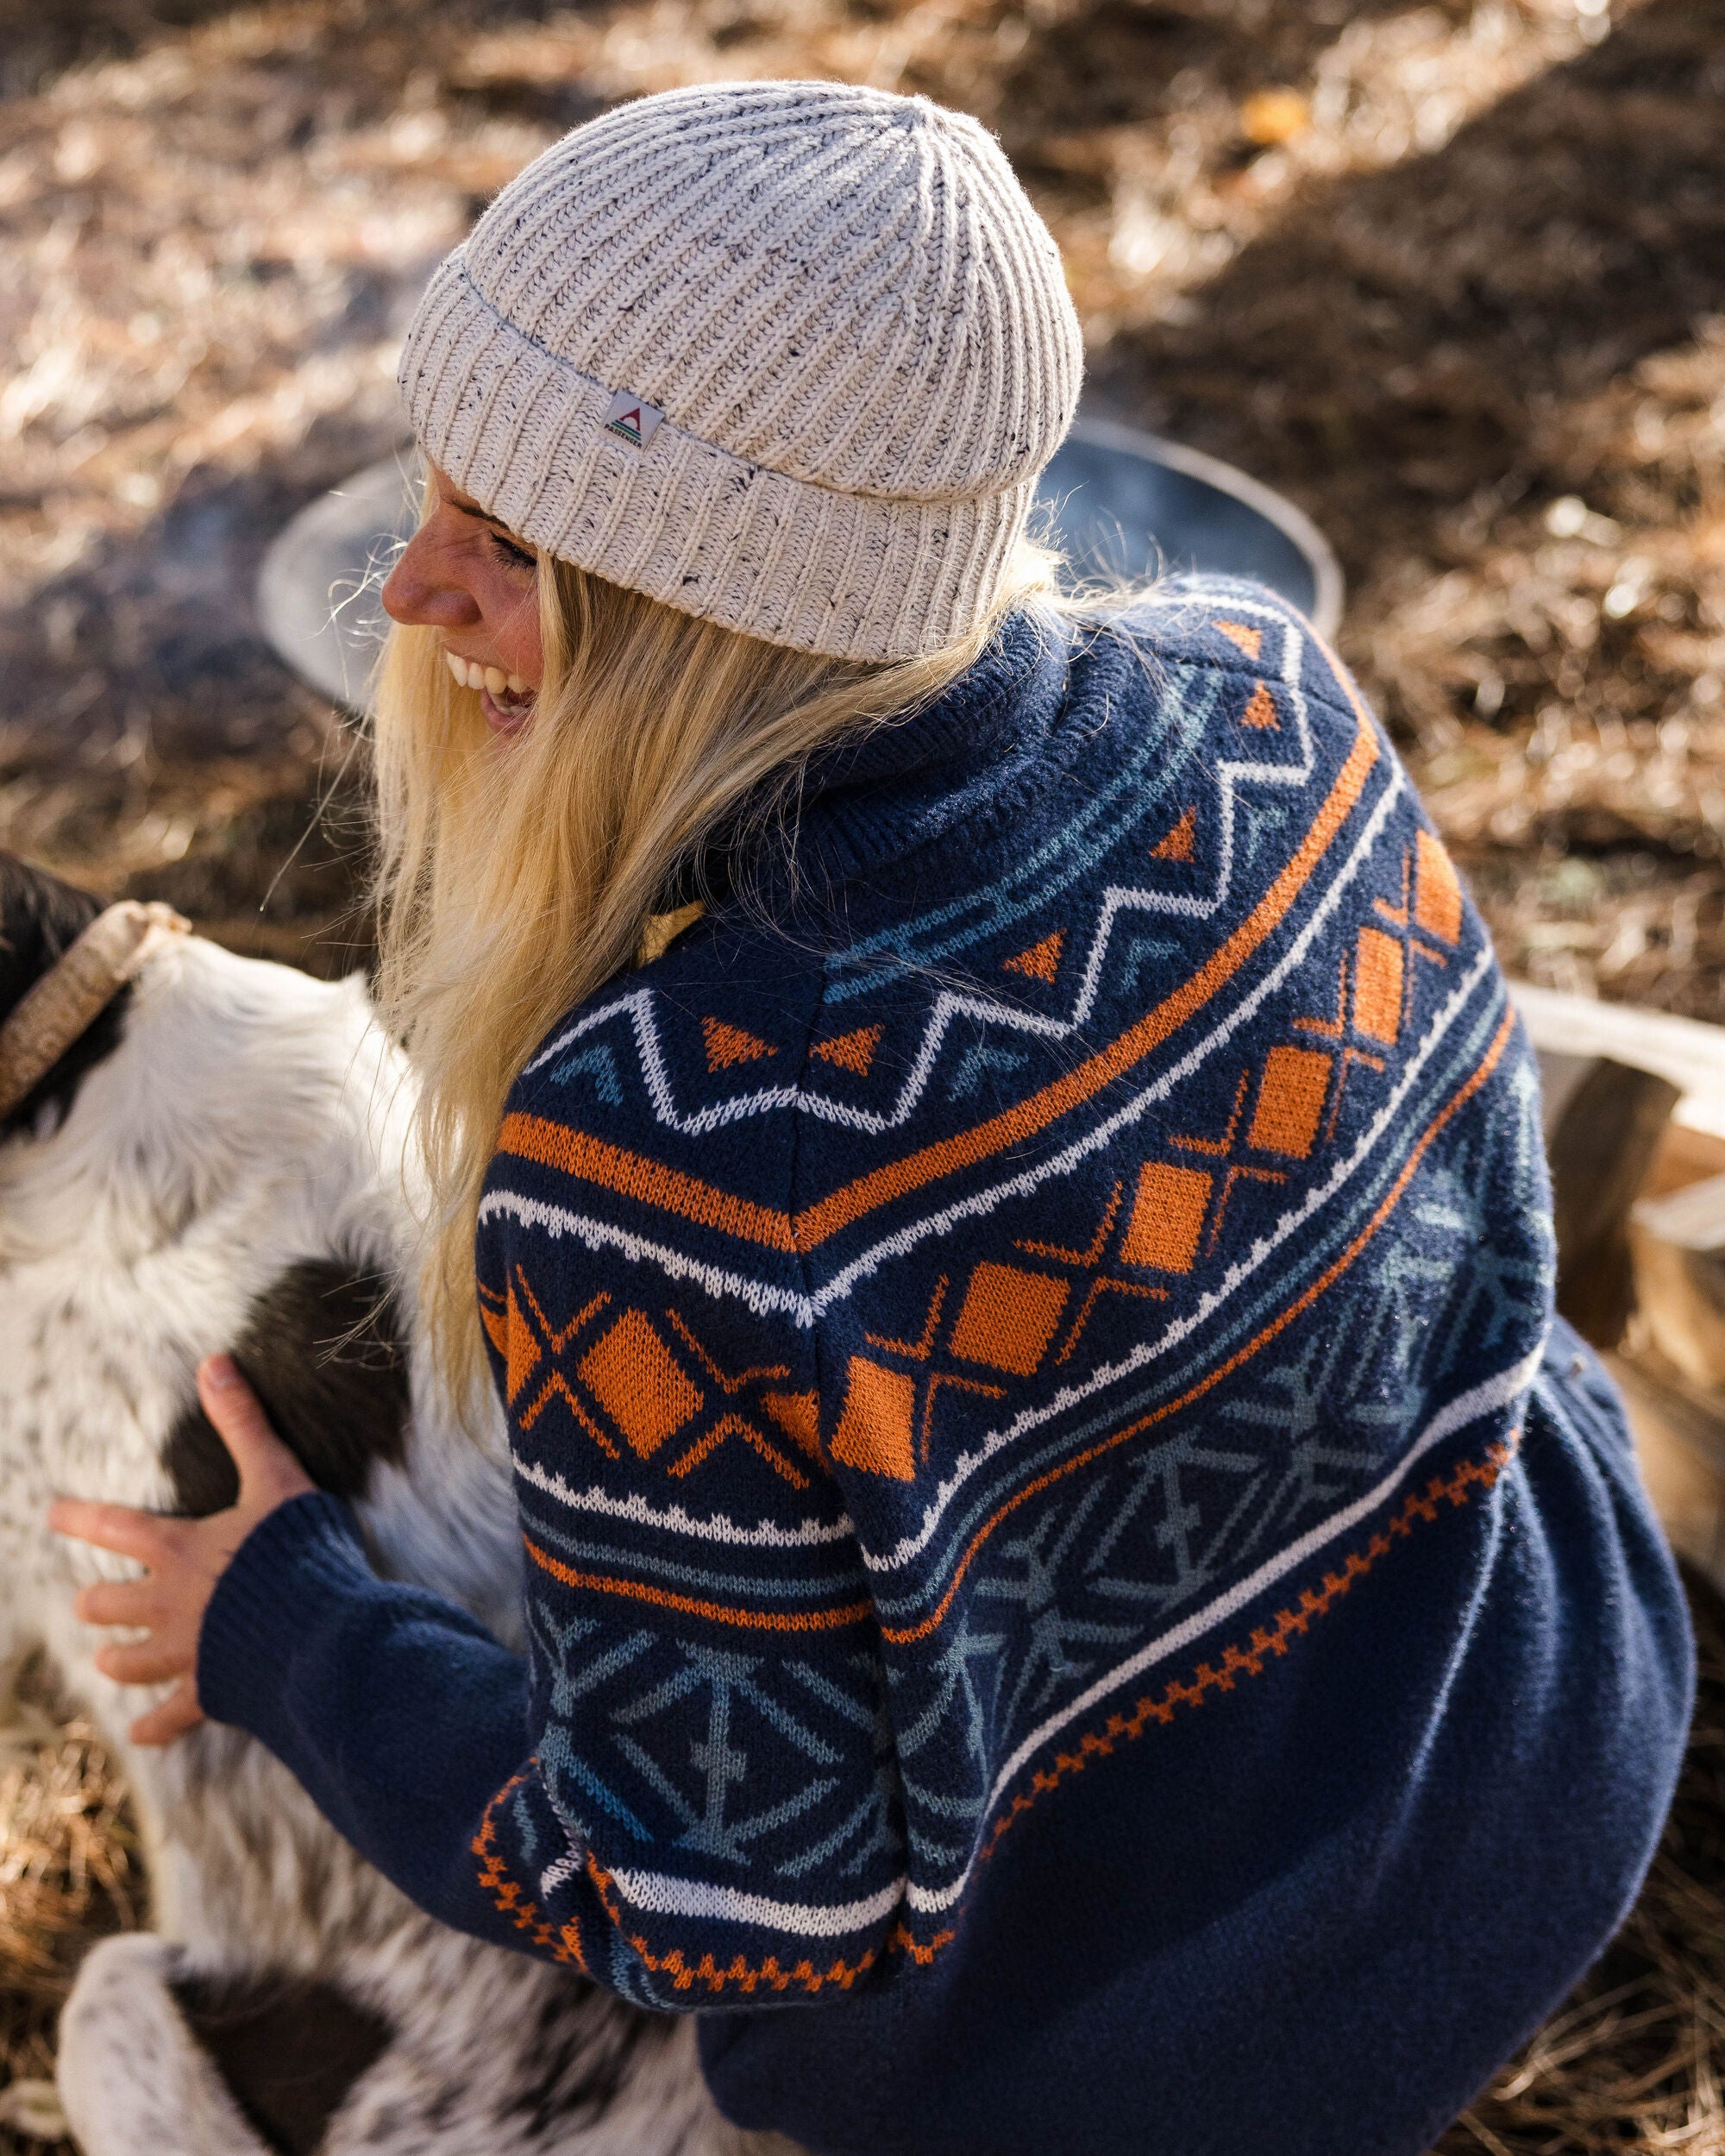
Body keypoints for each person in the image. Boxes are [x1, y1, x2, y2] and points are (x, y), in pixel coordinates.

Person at [53, 79, 1692, 2156]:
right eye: (432, 497)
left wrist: (288, 1624)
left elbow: (705, 1897)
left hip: (1183, 2055)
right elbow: (1494, 1286)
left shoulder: (670, 1147)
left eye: (508, 545)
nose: (412, 593)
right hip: (1546, 1742)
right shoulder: (1263, 681)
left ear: (717, 607)